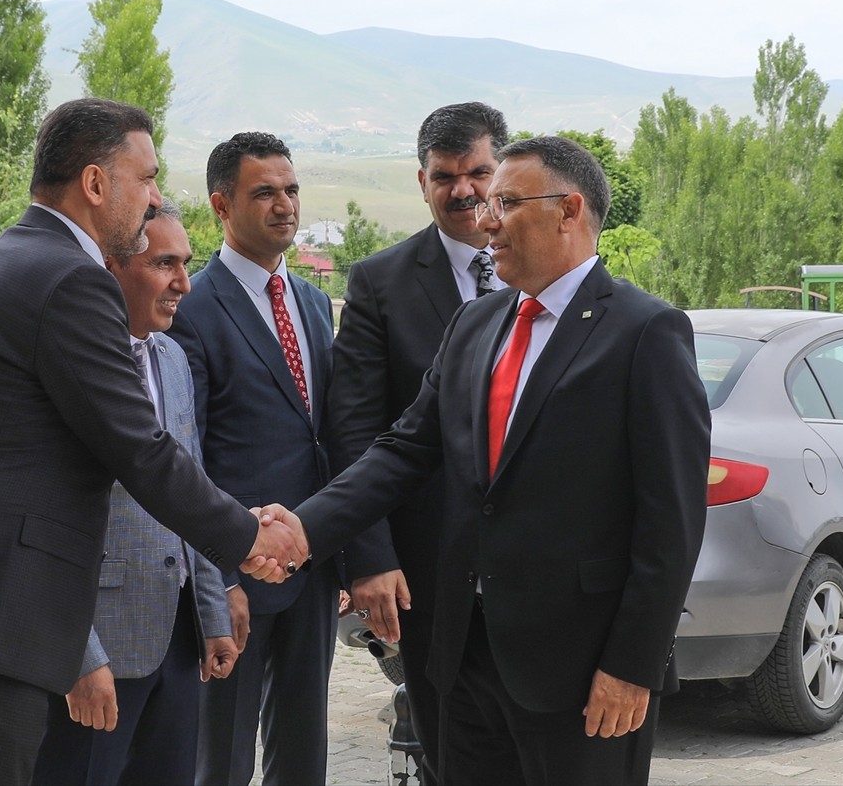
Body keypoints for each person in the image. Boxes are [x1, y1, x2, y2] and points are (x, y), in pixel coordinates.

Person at [0, 99, 304, 786]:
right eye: (146, 179)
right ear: (96, 185)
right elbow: (140, 449)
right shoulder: (72, 279)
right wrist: (246, 534)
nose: (154, 197)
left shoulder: (5, 257)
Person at [269, 136, 711, 785]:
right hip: (461, 659)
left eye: (505, 201)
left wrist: (633, 666)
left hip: (581, 673)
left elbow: (670, 525)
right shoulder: (477, 324)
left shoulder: (646, 333)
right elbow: (401, 451)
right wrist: (304, 530)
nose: (484, 219)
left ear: (569, 210)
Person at [329, 101, 508, 786]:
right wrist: (368, 557)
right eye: (444, 176)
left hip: (538, 575)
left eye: (478, 172)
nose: (463, 190)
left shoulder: (548, 274)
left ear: (502, 171)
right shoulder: (379, 282)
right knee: (450, 754)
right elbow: (355, 428)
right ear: (421, 181)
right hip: (428, 575)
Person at [31, 200, 239, 785]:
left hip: (177, 641)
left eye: (186, 263)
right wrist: (79, 653)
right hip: (98, 642)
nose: (184, 283)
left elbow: (188, 486)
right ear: (111, 265)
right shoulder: (70, 357)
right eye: (164, 263)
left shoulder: (172, 356)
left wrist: (212, 610)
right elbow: (44, 511)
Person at [165, 132, 338, 786]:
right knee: (223, 758)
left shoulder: (315, 305)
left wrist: (339, 552)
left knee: (303, 754)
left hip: (310, 568)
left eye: (291, 190)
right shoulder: (193, 309)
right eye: (263, 192)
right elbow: (186, 458)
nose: (284, 205)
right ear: (220, 205)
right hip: (237, 574)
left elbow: (327, 440)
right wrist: (221, 580)